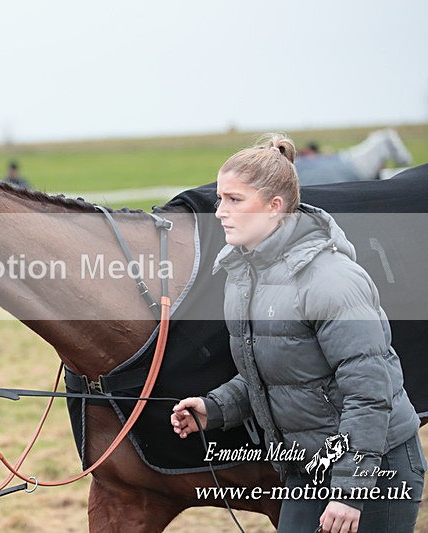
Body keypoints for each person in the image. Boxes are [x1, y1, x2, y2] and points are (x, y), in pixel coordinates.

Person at [169, 134, 424, 533]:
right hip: (308, 468)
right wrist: (213, 407)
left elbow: (369, 393)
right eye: (220, 199)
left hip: (375, 469)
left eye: (234, 200)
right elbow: (278, 370)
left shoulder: (331, 280)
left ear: (275, 206)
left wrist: (350, 491)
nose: (219, 212)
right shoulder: (243, 278)